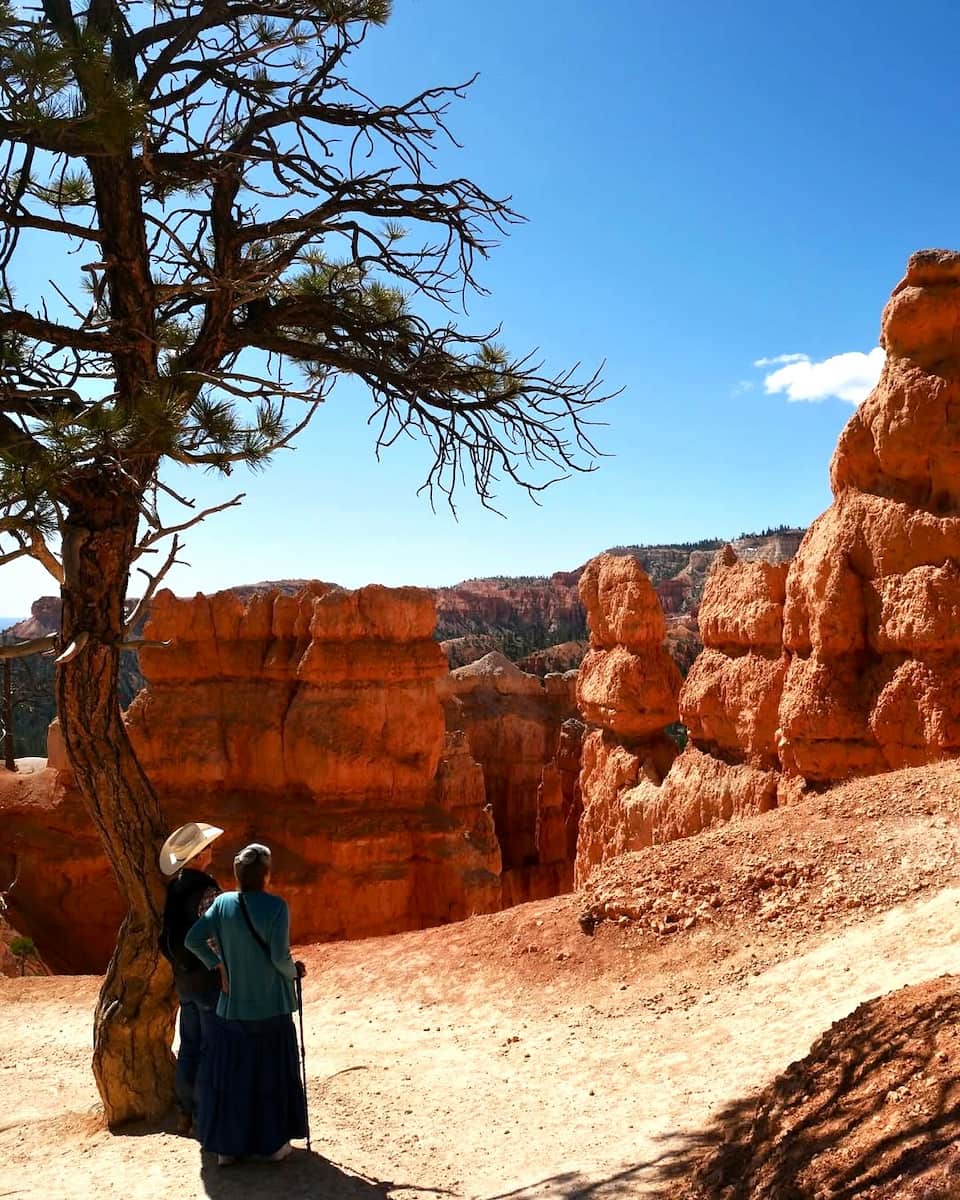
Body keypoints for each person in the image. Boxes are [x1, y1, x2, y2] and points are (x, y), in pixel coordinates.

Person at [185, 842, 308, 1166]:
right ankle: (271, 1145)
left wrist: (217, 964)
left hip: (231, 1008)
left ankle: (228, 1147)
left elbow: (192, 939)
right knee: (270, 1075)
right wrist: (294, 971)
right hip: (271, 1007)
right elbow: (280, 958)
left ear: (238, 876)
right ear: (265, 875)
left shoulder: (222, 903)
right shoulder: (276, 907)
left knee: (233, 1077)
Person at [158, 820, 224, 1137]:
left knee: (190, 1046)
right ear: (198, 855)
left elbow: (167, 937)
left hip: (184, 980)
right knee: (212, 1048)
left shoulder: (175, 887)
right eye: (207, 847)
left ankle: (185, 1114)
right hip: (208, 978)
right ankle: (204, 1115)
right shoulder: (207, 890)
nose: (212, 851)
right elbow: (214, 936)